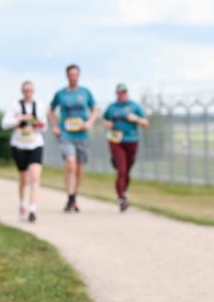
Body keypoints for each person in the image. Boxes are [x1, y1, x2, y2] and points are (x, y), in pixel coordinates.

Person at [48, 64, 98, 212]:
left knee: (79, 170)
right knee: (70, 163)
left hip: (82, 135)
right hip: (66, 134)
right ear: (67, 76)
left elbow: (95, 109)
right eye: (71, 75)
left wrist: (89, 122)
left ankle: (74, 197)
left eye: (75, 75)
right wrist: (55, 126)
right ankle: (69, 197)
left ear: (78, 76)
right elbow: (51, 110)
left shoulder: (85, 92)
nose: (73, 77)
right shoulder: (61, 94)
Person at [1, 80, 46, 222]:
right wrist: (19, 119)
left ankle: (33, 208)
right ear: (22, 91)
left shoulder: (39, 106)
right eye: (26, 90)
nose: (28, 93)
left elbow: (45, 127)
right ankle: (22, 203)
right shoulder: (15, 105)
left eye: (30, 90)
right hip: (19, 145)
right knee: (23, 178)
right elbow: (4, 124)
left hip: (35, 144)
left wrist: (38, 123)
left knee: (35, 177)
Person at [103, 83, 149, 212]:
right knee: (121, 170)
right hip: (116, 140)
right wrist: (108, 124)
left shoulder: (135, 106)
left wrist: (136, 119)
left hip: (132, 140)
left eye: (124, 92)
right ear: (116, 93)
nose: (122, 94)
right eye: (119, 92)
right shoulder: (112, 107)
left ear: (127, 93)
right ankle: (121, 198)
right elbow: (104, 120)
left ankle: (123, 191)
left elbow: (146, 123)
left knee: (127, 170)